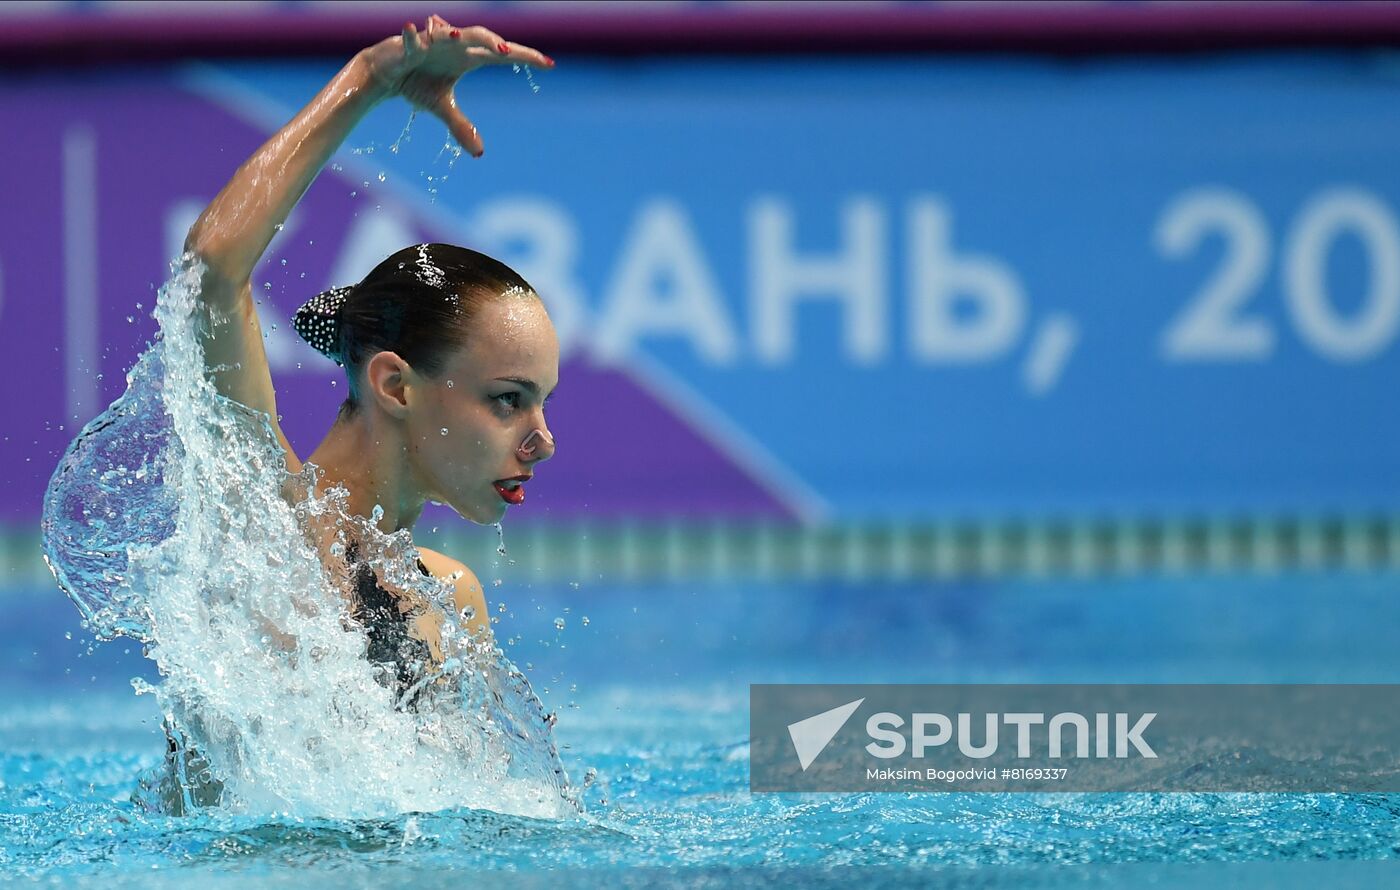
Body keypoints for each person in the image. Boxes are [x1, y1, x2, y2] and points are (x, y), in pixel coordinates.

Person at [184, 17, 558, 673]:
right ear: (396, 386)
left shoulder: (451, 600)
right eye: (508, 400)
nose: (544, 442)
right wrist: (369, 80)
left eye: (541, 403)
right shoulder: (260, 530)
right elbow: (213, 267)